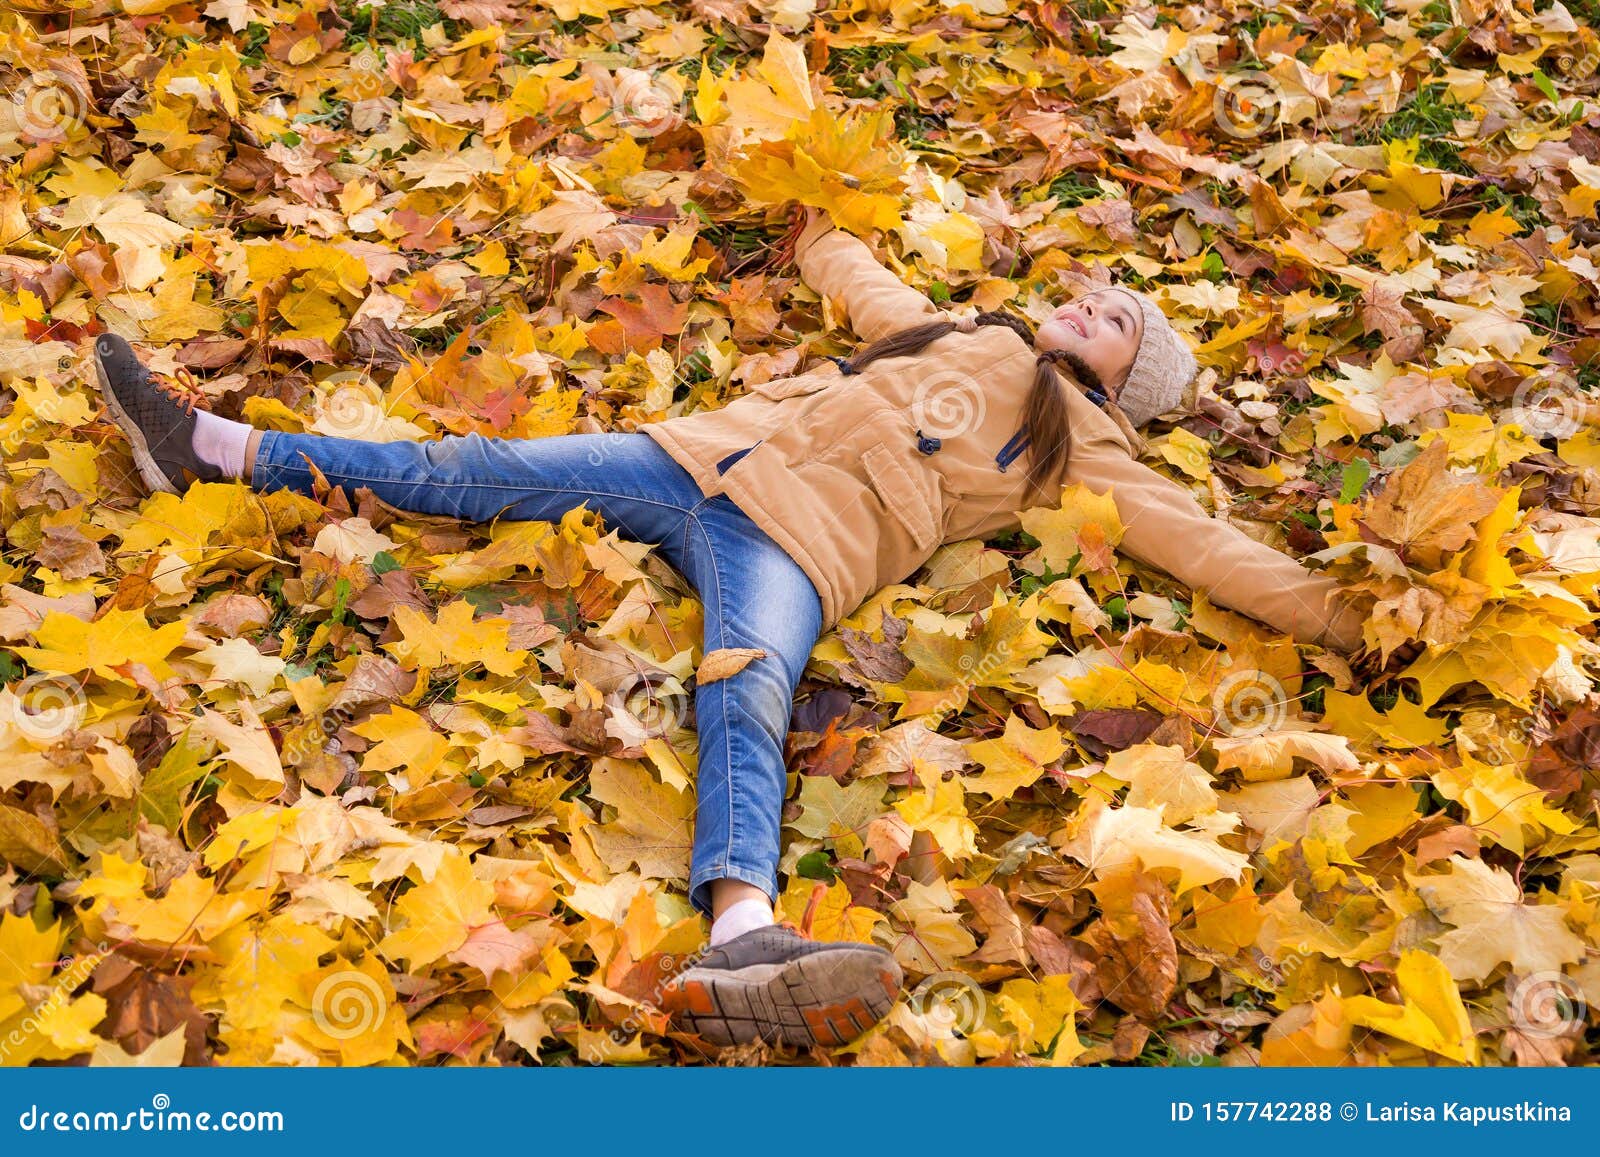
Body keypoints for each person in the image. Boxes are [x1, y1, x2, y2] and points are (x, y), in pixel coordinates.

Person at [91, 206, 1365, 1051]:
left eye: (1119, 319)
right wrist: (814, 228)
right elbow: (864, 284)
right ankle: (212, 445)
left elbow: (1205, 545)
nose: (1092, 300)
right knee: (477, 464)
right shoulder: (958, 327)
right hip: (693, 460)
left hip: (796, 543)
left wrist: (1350, 621)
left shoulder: (1077, 435)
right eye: (1096, 292)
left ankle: (742, 934)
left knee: (744, 689)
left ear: (1123, 379)